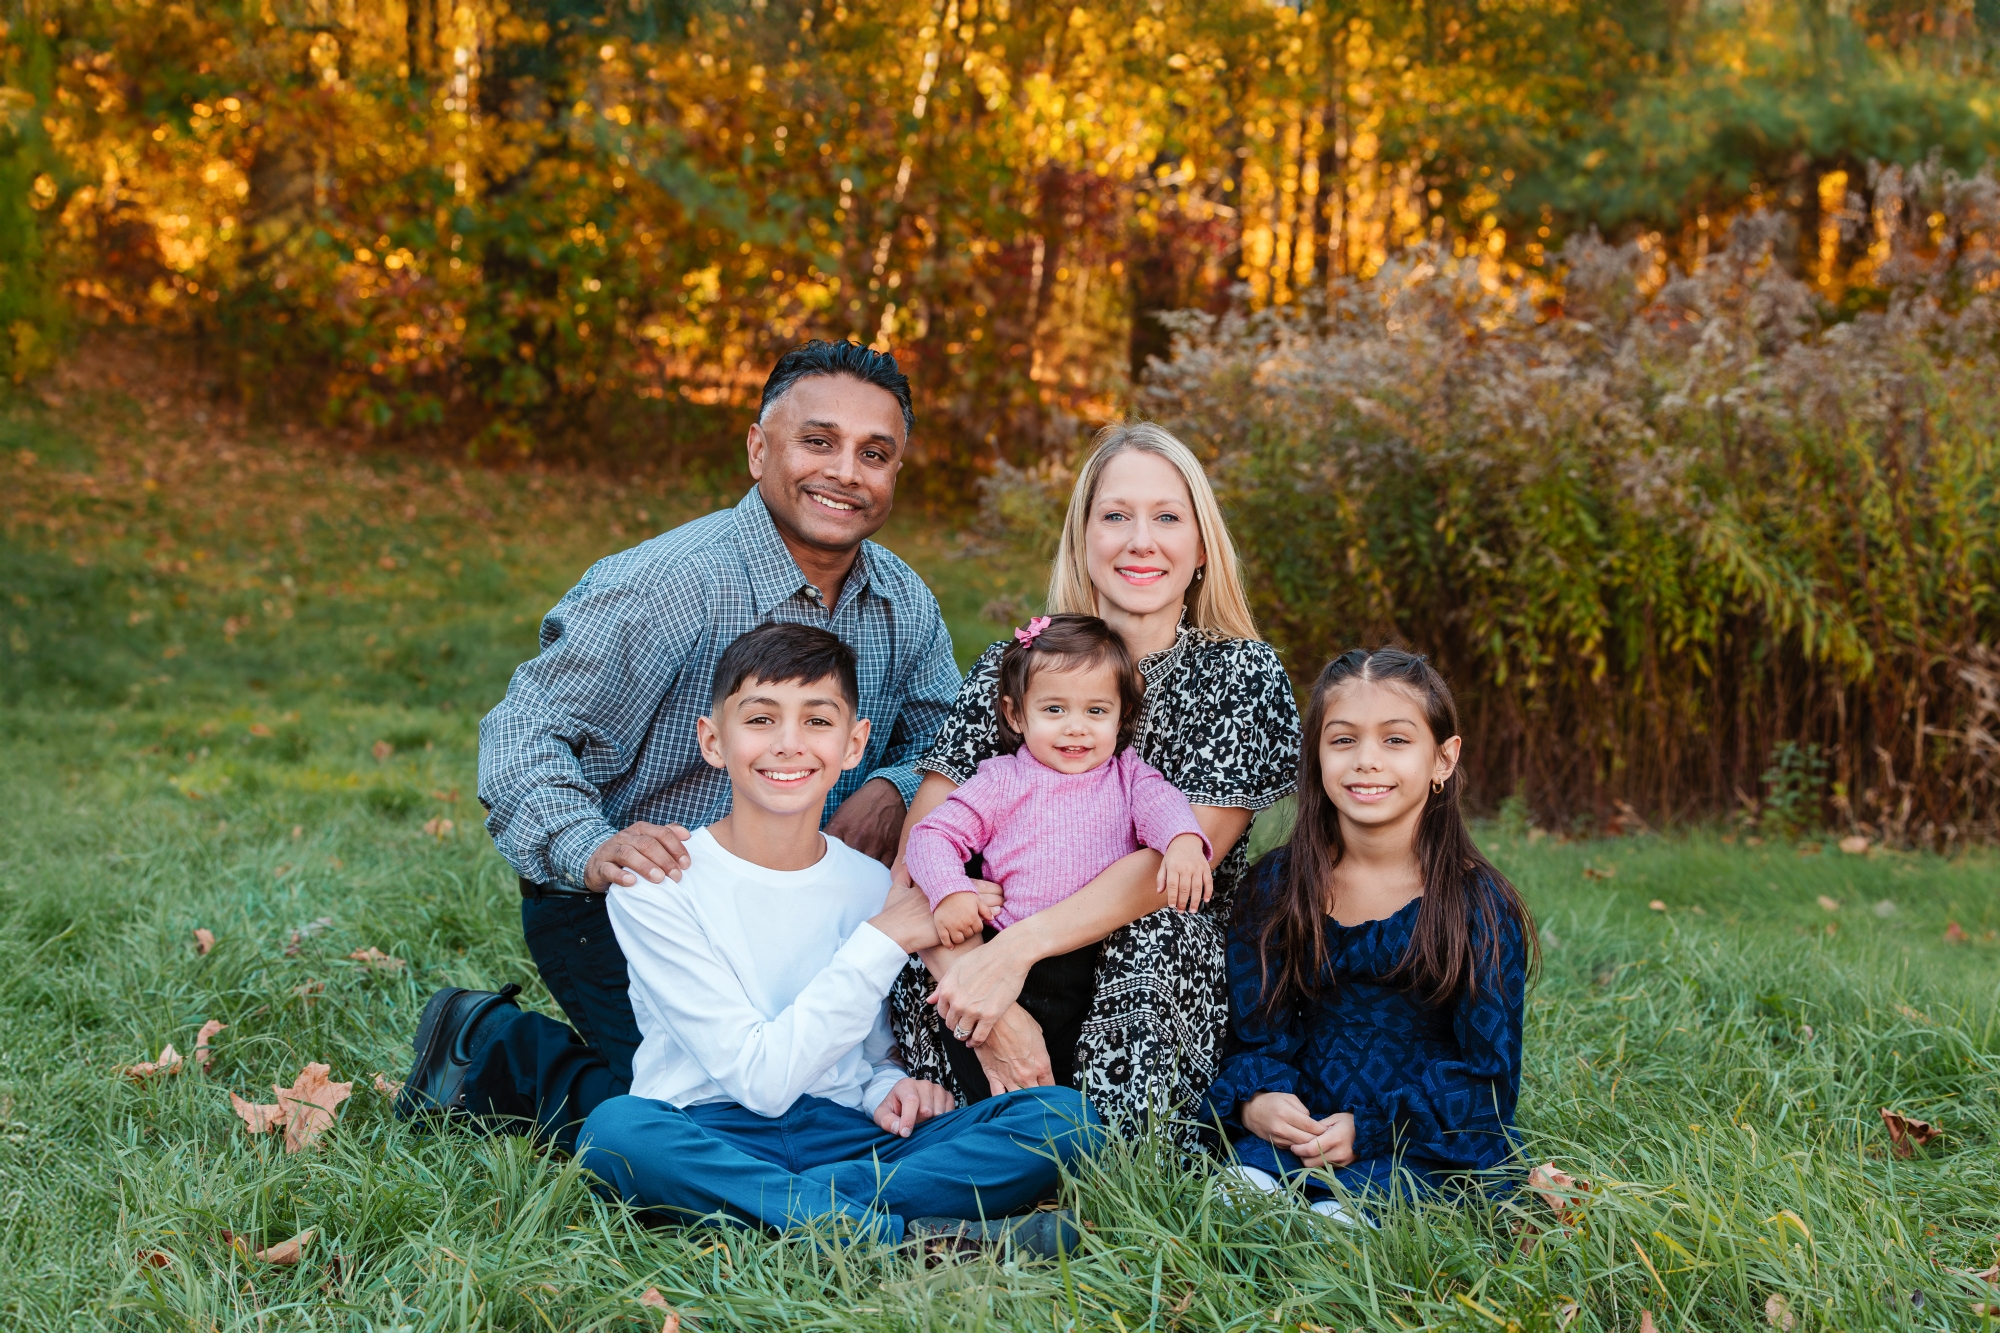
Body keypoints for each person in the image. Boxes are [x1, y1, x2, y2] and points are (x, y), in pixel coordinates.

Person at [396, 341, 963, 1148]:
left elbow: (950, 738)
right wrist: (591, 848)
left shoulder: (903, 601)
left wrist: (895, 787)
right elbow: (523, 732)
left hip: (810, 903)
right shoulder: (666, 584)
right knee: (727, 1116)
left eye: (874, 453)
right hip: (639, 905)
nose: (845, 472)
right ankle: (500, 1049)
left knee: (836, 1090)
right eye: (818, 442)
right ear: (758, 448)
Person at [573, 622, 1102, 1254]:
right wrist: (882, 938)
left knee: (1063, 1119)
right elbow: (760, 1081)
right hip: (708, 1129)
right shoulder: (658, 882)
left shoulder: (870, 882)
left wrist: (888, 1088)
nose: (789, 744)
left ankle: (787, 1210)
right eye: (761, 719)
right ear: (714, 741)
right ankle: (907, 1238)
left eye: (817, 722)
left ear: (854, 744)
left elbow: (868, 1054)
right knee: (617, 1133)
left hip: (846, 1135)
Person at [887, 422, 1302, 1146]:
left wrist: (1011, 955)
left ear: (1202, 545)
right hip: (993, 941)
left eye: (1167, 517)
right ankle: (963, 1135)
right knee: (935, 929)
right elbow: (919, 851)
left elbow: (1174, 865)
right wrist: (980, 984)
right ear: (1083, 537)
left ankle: (1114, 1157)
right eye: (1115, 516)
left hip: (1142, 953)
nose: (1141, 541)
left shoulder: (1241, 674)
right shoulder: (1014, 665)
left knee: (1165, 930)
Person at [1201, 648, 1535, 1210]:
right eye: (1343, 740)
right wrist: (1259, 1097)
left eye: (1396, 740)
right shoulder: (1277, 886)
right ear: (1315, 755)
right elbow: (1255, 1031)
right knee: (1233, 1203)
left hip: (1422, 1139)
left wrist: (1372, 1127)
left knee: (1334, 1227)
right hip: (1303, 1128)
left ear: (1444, 759)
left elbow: (1489, 1077)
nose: (1366, 761)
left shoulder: (1477, 905)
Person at [903, 613, 1212, 1095]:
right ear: (1015, 715)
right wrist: (950, 891)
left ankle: (1068, 1132)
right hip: (1006, 957)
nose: (1076, 729)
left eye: (1096, 711)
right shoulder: (1002, 779)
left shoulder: (1128, 775)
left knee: (1067, 1077)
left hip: (1094, 961)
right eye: (1054, 709)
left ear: (1123, 716)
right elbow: (931, 835)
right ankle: (989, 1129)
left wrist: (1183, 842)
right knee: (988, 1071)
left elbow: (1164, 806)